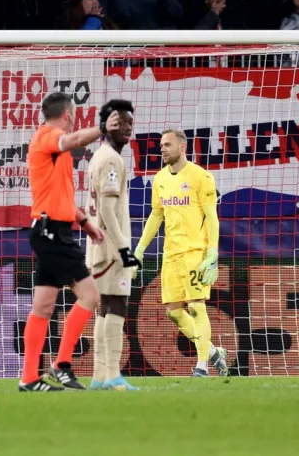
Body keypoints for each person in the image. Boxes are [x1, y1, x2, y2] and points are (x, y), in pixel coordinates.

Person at [19, 92, 120, 392]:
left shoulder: (55, 151)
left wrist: (85, 223)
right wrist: (103, 129)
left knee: (43, 306)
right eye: (74, 113)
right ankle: (61, 364)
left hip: (52, 230)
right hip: (51, 233)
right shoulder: (47, 137)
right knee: (90, 296)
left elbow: (59, 196)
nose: (75, 118)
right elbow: (70, 141)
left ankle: (28, 378)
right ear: (67, 114)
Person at [133, 129, 228, 377]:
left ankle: (201, 367)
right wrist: (140, 250)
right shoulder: (160, 179)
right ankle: (214, 352)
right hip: (171, 254)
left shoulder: (201, 177)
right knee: (174, 312)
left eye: (167, 145)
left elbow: (212, 217)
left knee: (197, 308)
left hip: (195, 253)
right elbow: (156, 215)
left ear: (182, 147)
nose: (162, 149)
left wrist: (212, 253)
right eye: (161, 145)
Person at [85, 100, 140, 391]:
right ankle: (112, 375)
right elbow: (106, 209)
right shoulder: (111, 160)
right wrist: (123, 249)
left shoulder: (100, 156)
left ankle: (99, 375)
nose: (128, 127)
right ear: (106, 125)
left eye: (131, 122)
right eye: (121, 121)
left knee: (106, 307)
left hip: (98, 247)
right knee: (117, 304)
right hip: (110, 248)